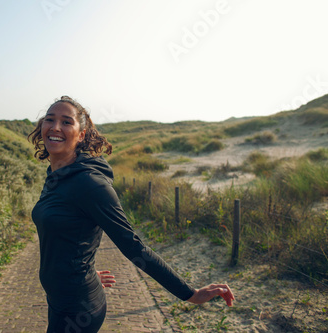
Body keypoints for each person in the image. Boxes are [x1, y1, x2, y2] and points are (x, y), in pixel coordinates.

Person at [28, 96, 235, 333]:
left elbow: (134, 247)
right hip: (59, 299)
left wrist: (191, 294)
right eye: (50, 119)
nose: (55, 127)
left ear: (81, 135)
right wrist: (83, 270)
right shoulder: (55, 174)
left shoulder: (89, 184)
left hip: (76, 308)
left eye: (66, 122)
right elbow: (66, 235)